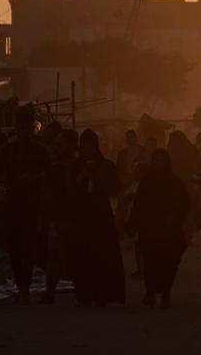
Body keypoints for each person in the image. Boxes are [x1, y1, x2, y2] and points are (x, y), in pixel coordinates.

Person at [0, 111, 50, 305]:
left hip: (32, 205)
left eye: (27, 128)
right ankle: (22, 287)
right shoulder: (7, 151)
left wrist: (33, 179)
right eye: (21, 128)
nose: (24, 131)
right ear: (17, 129)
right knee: (15, 249)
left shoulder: (41, 151)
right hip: (13, 205)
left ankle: (24, 288)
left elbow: (49, 176)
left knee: (28, 248)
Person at [127, 149, 191, 309]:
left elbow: (184, 203)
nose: (159, 164)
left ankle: (165, 294)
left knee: (169, 263)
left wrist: (175, 216)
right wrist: (132, 225)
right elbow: (138, 206)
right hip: (150, 229)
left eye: (162, 161)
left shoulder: (175, 182)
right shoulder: (146, 183)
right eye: (156, 161)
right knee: (151, 262)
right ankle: (150, 293)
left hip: (169, 230)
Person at [71, 130, 124, 307]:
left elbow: (115, 189)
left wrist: (100, 178)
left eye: (91, 146)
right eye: (85, 146)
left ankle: (103, 294)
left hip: (101, 216)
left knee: (103, 256)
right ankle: (84, 295)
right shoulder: (75, 166)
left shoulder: (107, 165)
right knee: (83, 256)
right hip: (82, 217)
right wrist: (82, 177)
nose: (88, 150)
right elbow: (67, 190)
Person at [40, 130, 79, 304]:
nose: (59, 147)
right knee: (54, 256)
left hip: (74, 218)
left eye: (62, 144)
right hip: (57, 217)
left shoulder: (79, 167)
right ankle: (49, 292)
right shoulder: (55, 167)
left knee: (75, 255)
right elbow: (48, 193)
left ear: (71, 144)